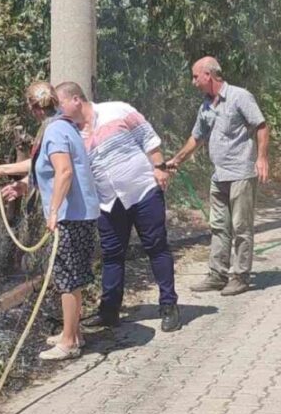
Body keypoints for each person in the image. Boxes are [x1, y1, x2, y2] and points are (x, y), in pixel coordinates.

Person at [0, 81, 100, 361]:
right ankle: (72, 332)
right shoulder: (60, 127)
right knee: (70, 276)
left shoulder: (56, 131)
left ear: (34, 107)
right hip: (77, 215)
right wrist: (6, 172)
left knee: (68, 279)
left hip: (71, 216)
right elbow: (42, 165)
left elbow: (64, 172)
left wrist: (53, 211)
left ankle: (70, 342)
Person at [54, 82, 181, 333]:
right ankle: (109, 311)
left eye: (61, 104)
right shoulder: (71, 133)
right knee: (112, 255)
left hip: (143, 191)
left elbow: (147, 135)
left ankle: (169, 306)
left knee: (156, 247)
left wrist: (159, 166)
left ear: (76, 100)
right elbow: (59, 164)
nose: (58, 110)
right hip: (109, 202)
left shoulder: (117, 111)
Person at [168, 57, 269, 297]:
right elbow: (197, 137)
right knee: (218, 226)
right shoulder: (205, 106)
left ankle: (241, 276)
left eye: (195, 76)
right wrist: (177, 160)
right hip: (219, 175)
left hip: (241, 173)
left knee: (241, 227)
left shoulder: (239, 96)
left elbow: (262, 126)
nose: (193, 82)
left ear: (208, 75)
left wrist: (262, 158)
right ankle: (217, 274)